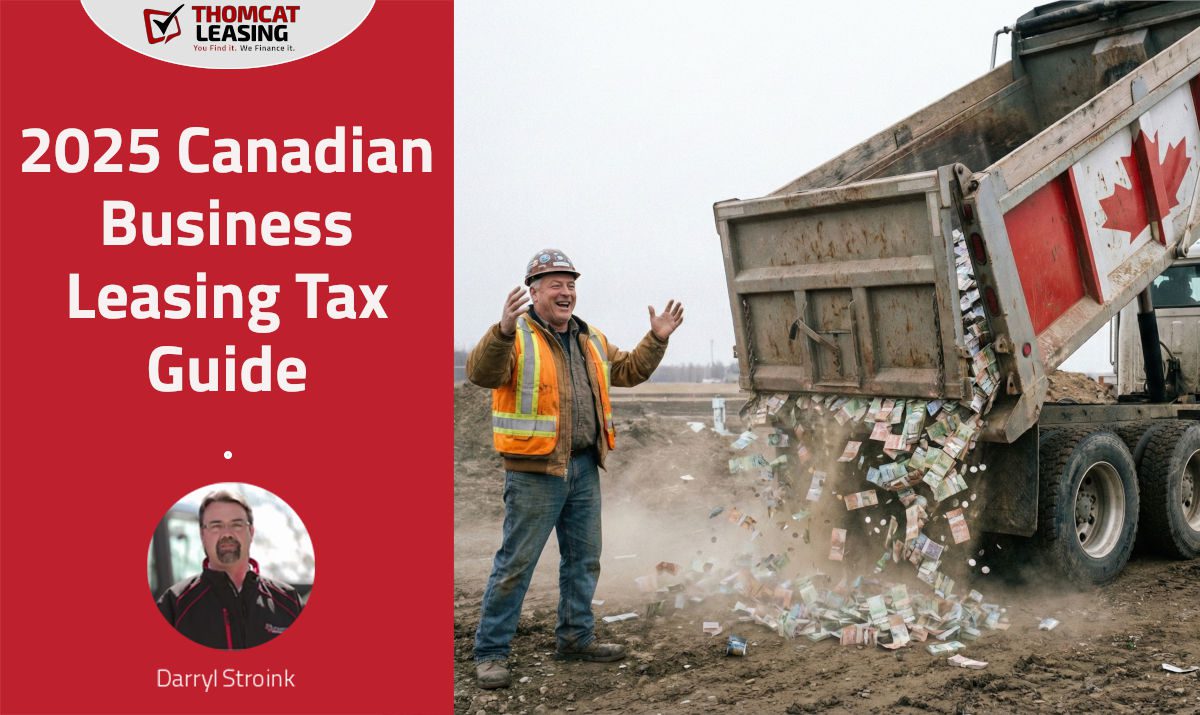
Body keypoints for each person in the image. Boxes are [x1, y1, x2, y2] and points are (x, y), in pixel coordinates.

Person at [468, 248, 683, 689]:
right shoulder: (516, 336)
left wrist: (656, 338)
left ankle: (575, 637)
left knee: (584, 560)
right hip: (534, 472)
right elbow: (482, 374)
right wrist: (502, 331)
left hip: (583, 466)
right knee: (516, 564)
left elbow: (629, 370)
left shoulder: (590, 338)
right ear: (534, 293)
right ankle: (491, 652)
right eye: (555, 285)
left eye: (570, 284)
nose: (565, 292)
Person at [157, 490, 303, 649]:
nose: (227, 534)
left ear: (251, 532)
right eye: (216, 526)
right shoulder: (174, 605)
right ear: (202, 535)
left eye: (236, 524)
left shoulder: (289, 602)